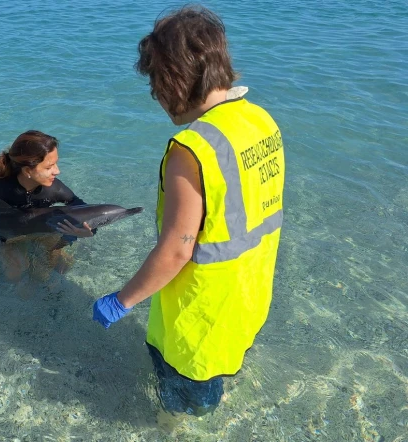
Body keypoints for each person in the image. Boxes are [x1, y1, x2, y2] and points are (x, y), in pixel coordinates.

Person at [92, 5, 285, 418]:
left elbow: (177, 249)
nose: (155, 96)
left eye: (156, 83)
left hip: (197, 315)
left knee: (185, 400)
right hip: (248, 295)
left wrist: (121, 301)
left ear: (174, 77)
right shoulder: (259, 120)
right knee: (219, 372)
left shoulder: (192, 149)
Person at [0, 130, 95, 280]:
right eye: (49, 167)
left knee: (62, 267)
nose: (57, 171)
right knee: (16, 271)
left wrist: (87, 232)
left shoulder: (54, 189)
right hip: (8, 237)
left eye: (56, 163)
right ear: (27, 170)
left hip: (40, 232)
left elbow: (86, 211)